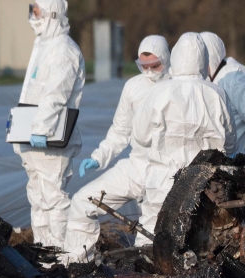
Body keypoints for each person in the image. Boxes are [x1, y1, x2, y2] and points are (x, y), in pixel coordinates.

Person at [60, 35, 171, 263]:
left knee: (151, 236)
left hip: (166, 170)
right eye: (143, 66)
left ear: (167, 59)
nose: (149, 72)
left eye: (155, 66)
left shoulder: (178, 87)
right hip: (136, 165)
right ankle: (78, 266)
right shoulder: (133, 87)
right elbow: (120, 131)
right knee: (82, 202)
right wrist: (99, 157)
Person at [129, 32, 237, 236]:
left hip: (162, 180)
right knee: (200, 237)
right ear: (203, 60)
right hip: (205, 182)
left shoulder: (159, 91)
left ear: (176, 58)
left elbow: (140, 136)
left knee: (151, 235)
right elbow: (231, 143)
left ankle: (144, 268)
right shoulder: (216, 93)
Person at [15, 0, 85, 249]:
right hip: (33, 135)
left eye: (38, 13)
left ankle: (60, 251)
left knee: (53, 197)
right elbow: (31, 91)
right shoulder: (43, 45)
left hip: (51, 136)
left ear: (52, 16)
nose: (33, 18)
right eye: (32, 12)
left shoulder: (64, 49)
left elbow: (57, 94)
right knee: (37, 195)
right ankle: (43, 250)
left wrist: (41, 128)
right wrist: (19, 124)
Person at [199, 32, 245, 167]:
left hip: (235, 167)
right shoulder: (209, 81)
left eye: (202, 62)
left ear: (212, 58)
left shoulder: (234, 79)